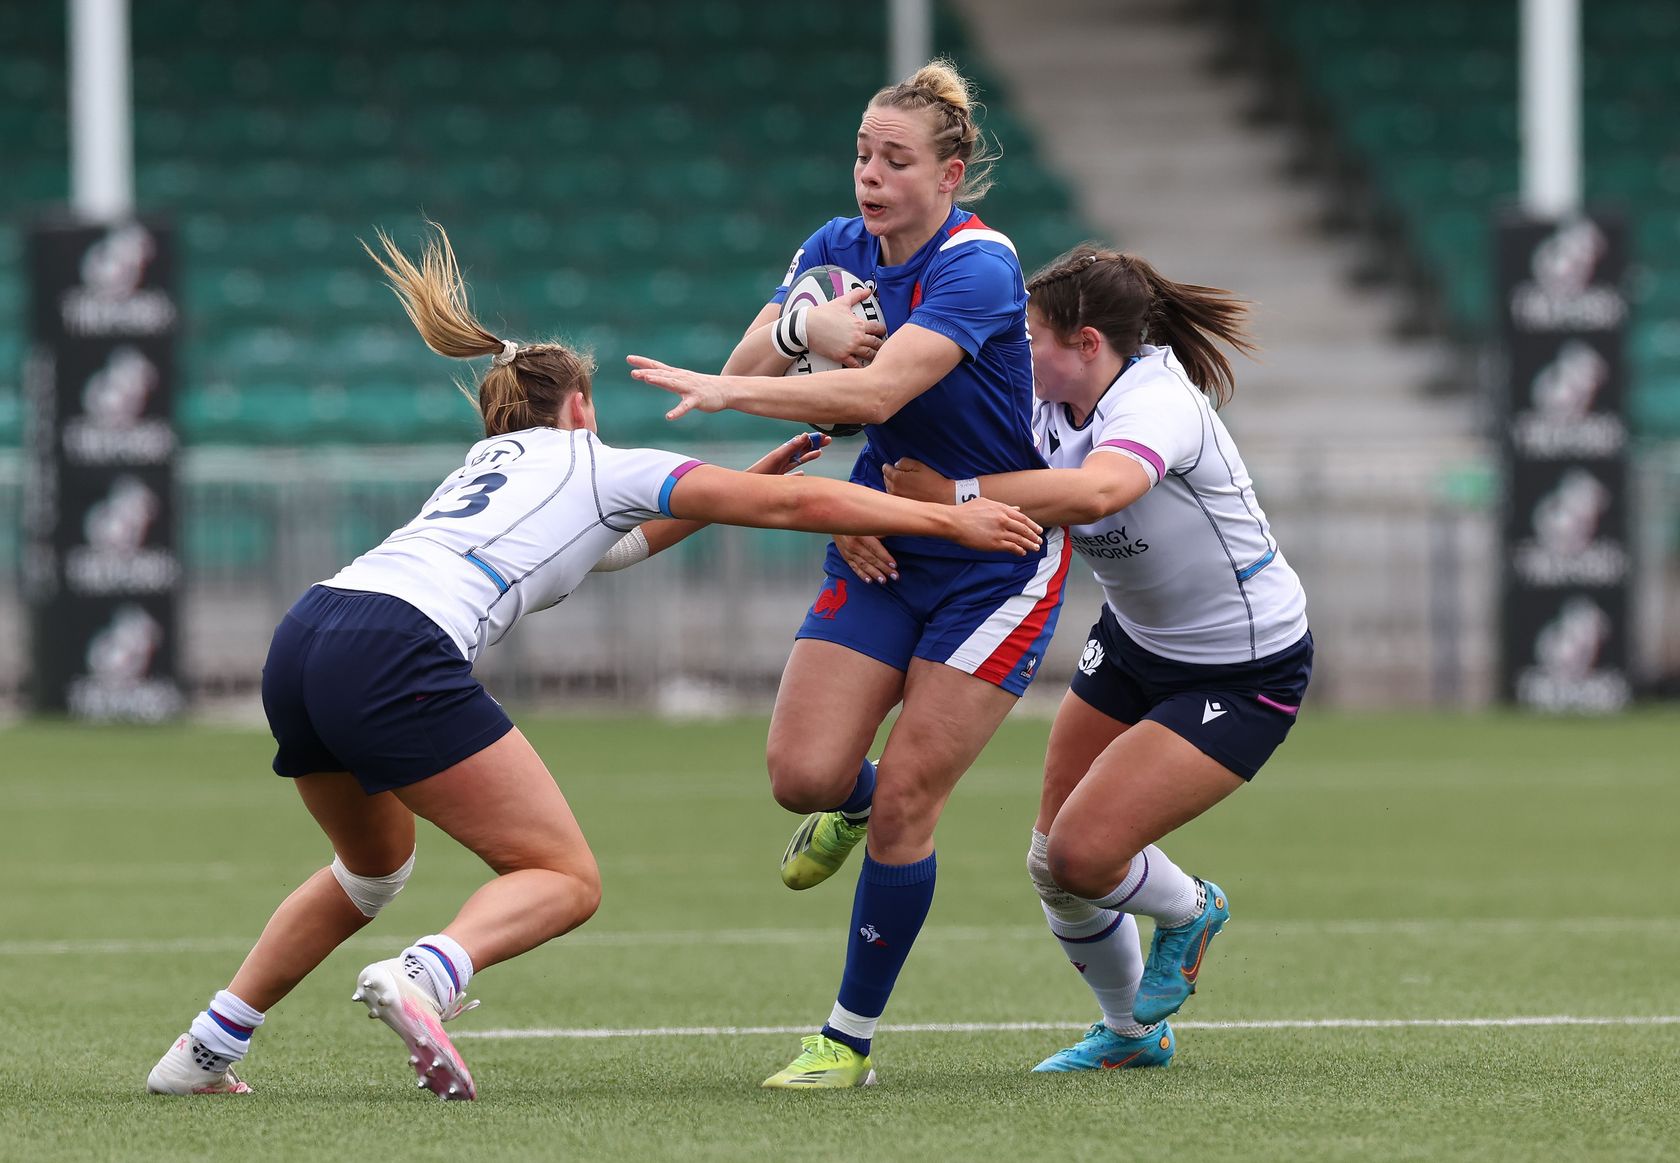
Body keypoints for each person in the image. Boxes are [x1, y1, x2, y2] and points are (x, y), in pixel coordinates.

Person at [143, 223, 1041, 1100]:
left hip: (309, 633)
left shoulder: (481, 465)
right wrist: (949, 519)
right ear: (578, 407)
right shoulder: (597, 460)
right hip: (396, 650)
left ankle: (205, 1045)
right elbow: (792, 511)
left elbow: (614, 548)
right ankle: (427, 973)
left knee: (371, 869)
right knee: (563, 878)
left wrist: (754, 479)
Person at [628, 59, 1069, 1089]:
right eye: (863, 154)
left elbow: (871, 393)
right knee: (803, 778)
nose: (870, 176)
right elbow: (758, 359)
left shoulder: (979, 266)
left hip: (990, 552)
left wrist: (741, 390)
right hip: (883, 531)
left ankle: (845, 1038)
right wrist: (795, 328)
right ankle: (853, 801)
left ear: (949, 174)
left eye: (895, 159)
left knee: (916, 797)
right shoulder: (835, 248)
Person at [880, 243, 1312, 1072]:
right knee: (1053, 862)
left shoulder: (1156, 400)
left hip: (1244, 667)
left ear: (1086, 344)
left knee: (1085, 854)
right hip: (1132, 643)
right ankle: (1131, 1034)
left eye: (1034, 334)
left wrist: (956, 498)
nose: (1020, 349)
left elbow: (1096, 493)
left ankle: (1191, 908)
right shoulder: (1044, 401)